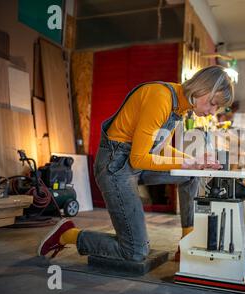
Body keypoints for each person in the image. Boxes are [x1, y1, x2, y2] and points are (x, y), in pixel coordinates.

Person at [37, 65, 234, 262]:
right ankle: (67, 234)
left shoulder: (179, 107)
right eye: (213, 104)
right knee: (135, 251)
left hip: (134, 164)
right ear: (203, 89)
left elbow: (160, 147)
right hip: (115, 166)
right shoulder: (161, 98)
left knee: (192, 175)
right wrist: (189, 162)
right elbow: (138, 158)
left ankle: (186, 241)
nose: (212, 112)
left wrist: (195, 163)